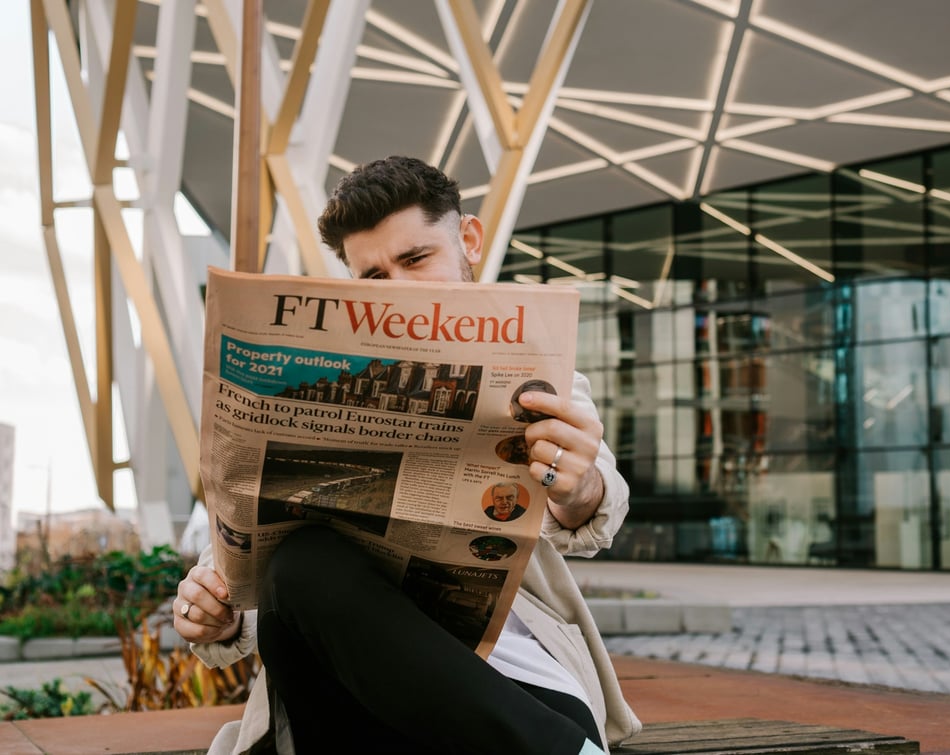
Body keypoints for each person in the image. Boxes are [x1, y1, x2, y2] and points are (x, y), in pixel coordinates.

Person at [174, 156, 643, 754]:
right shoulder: (322, 383)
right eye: (374, 276)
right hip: (351, 698)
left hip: (514, 689)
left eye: (417, 258)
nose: (399, 288)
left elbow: (593, 499)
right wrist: (214, 610)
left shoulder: (533, 367)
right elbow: (244, 559)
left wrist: (578, 489)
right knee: (301, 564)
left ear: (468, 239)